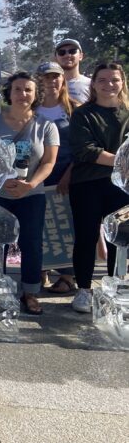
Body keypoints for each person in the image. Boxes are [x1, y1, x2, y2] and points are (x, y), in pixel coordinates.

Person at [0, 72, 58, 315]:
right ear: (9, 93)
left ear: (35, 95)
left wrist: (31, 184)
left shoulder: (46, 125)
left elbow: (48, 162)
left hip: (31, 194)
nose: (22, 94)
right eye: (17, 89)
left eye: (28, 90)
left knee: (31, 244)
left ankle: (31, 292)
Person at [68, 62, 129, 313]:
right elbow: (86, 151)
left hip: (122, 187)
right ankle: (83, 289)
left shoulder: (127, 113)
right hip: (87, 184)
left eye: (114, 79)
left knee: (120, 239)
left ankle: (115, 288)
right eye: (102, 80)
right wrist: (122, 160)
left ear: (122, 82)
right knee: (86, 237)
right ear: (93, 84)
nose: (109, 85)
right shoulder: (83, 114)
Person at [36, 61, 80, 293]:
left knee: (65, 226)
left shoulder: (74, 109)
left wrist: (69, 176)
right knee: (39, 226)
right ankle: (39, 270)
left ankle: (66, 276)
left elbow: (82, 148)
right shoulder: (31, 109)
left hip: (65, 177)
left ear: (63, 80)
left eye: (55, 76)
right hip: (38, 177)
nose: (51, 81)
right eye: (46, 77)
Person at [53, 39, 91, 103]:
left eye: (72, 51)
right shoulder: (47, 85)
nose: (67, 55)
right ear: (56, 58)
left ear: (81, 56)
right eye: (61, 52)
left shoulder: (91, 84)